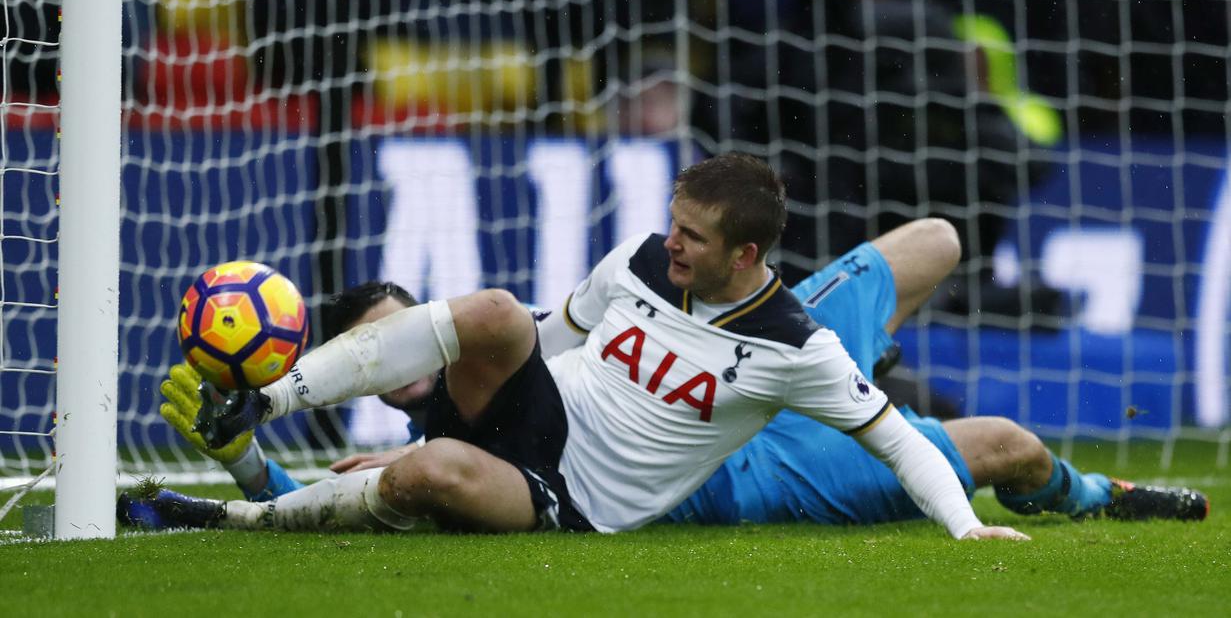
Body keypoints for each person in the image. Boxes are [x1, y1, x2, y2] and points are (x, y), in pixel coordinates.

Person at [123, 154, 1031, 539]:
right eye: (672, 223)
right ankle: (269, 396)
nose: (670, 243)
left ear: (746, 255)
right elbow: (551, 334)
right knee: (495, 310)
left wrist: (966, 527)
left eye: (692, 236)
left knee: (429, 472)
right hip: (543, 406)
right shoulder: (638, 260)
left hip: (572, 494)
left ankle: (232, 519)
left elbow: (900, 443)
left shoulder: (797, 347)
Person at [145, 218, 1208, 530]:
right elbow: (327, 498)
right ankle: (1099, 496)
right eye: (380, 365)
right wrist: (243, 465)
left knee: (933, 240)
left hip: (749, 359)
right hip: (748, 471)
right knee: (1008, 447)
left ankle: (849, 374)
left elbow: (554, 326)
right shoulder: (437, 454)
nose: (398, 370)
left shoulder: (523, 346)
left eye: (397, 342)